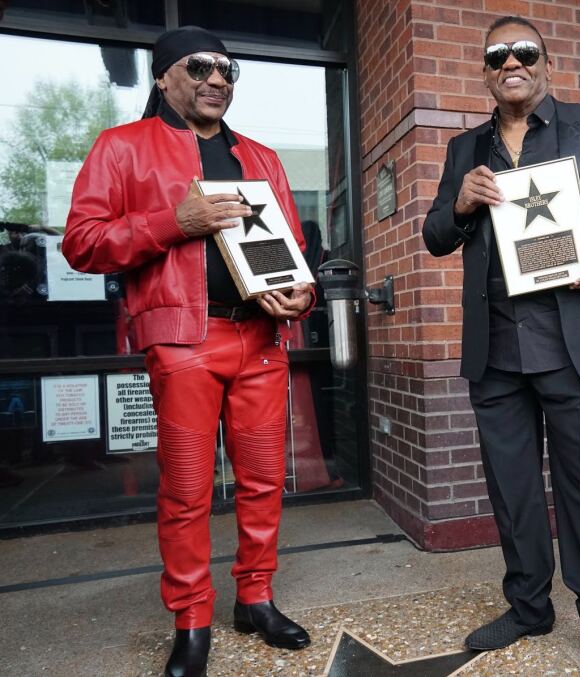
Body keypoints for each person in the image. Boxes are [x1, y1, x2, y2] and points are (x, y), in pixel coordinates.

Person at [62, 26, 314, 677]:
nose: (218, 79)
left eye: (230, 70)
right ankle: (192, 618)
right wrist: (175, 222)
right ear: (164, 76)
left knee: (262, 483)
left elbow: (295, 258)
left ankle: (254, 598)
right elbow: (82, 243)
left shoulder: (262, 157)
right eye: (200, 66)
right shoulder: (122, 147)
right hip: (182, 343)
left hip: (261, 340)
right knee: (186, 491)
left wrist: (301, 295)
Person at [422, 15, 580, 677]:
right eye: (498, 56)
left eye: (524, 52)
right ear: (487, 71)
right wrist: (461, 203)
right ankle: (527, 605)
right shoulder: (466, 149)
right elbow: (437, 234)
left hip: (575, 337)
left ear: (544, 61)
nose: (511, 63)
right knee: (514, 489)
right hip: (496, 349)